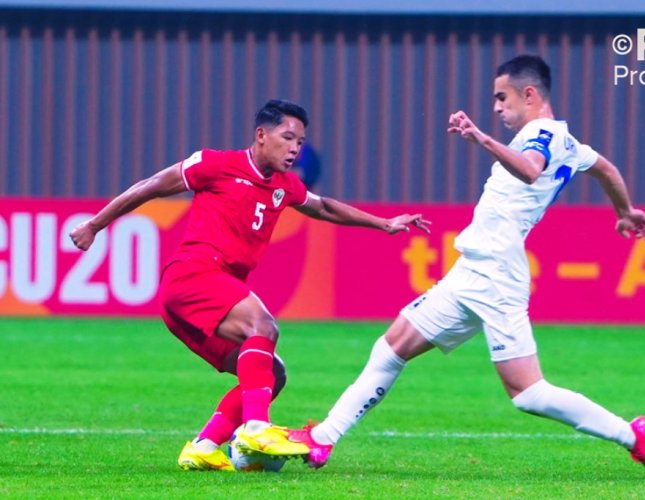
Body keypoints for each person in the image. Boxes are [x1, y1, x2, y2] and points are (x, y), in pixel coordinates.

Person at [289, 55, 645, 479]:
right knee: (392, 347)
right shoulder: (571, 143)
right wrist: (626, 210)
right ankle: (323, 438)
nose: (496, 107)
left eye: (501, 97)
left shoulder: (541, 133)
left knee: (527, 393)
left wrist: (481, 138)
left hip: (497, 274)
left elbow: (530, 170)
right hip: (474, 269)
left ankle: (635, 435)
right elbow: (606, 170)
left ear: (530, 94)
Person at [69, 99, 431, 471]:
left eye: (300, 143)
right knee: (264, 326)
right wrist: (95, 225)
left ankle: (205, 446)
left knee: (271, 374)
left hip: (201, 297)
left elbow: (323, 208)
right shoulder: (216, 164)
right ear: (261, 135)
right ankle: (256, 428)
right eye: (287, 138)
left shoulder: (286, 186)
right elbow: (151, 186)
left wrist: (383, 223)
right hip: (193, 275)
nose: (294, 149)